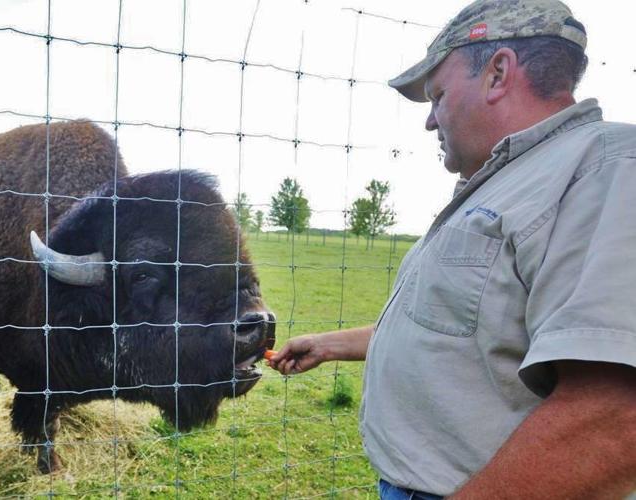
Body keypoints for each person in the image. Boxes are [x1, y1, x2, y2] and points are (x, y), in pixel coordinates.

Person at [269, 0, 636, 498]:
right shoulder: (510, 182)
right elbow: (465, 328)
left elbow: (615, 418)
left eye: (437, 95)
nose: (430, 120)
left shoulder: (605, 170)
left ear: (497, 74)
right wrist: (331, 345)